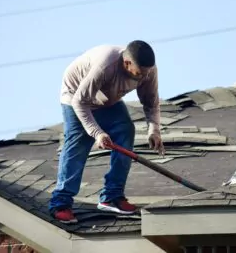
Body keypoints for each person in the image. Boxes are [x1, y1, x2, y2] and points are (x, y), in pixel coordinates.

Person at [48, 40, 165, 223]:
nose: (144, 76)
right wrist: (97, 132)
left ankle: (112, 196)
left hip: (107, 100)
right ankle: (60, 203)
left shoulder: (148, 71)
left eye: (147, 72)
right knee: (78, 142)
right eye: (140, 73)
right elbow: (80, 102)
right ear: (127, 63)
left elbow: (151, 102)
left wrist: (154, 130)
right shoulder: (105, 65)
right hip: (76, 97)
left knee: (125, 129)